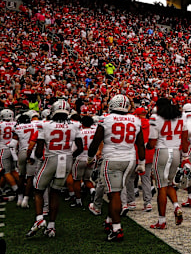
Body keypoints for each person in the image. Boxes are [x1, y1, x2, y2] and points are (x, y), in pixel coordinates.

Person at [88, 94, 145, 241]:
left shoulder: (106, 119)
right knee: (117, 193)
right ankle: (109, 220)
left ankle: (116, 229)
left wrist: (90, 157)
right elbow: (140, 144)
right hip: (130, 160)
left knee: (114, 194)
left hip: (112, 158)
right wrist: (141, 163)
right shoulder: (135, 120)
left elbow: (96, 141)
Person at [26, 99, 83, 238]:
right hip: (67, 159)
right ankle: (51, 226)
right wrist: (70, 156)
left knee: (38, 190)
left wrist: (40, 158)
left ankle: (39, 219)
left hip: (51, 159)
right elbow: (80, 148)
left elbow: (39, 151)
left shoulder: (44, 125)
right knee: (55, 192)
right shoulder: (75, 125)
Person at [147, 97, 188, 229]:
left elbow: (152, 142)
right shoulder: (181, 116)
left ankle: (162, 220)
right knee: (169, 183)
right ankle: (176, 206)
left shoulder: (155, 118)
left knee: (161, 187)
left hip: (162, 152)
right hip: (176, 152)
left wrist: (146, 146)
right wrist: (185, 156)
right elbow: (185, 137)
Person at [69, 115, 97, 209]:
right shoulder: (95, 132)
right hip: (91, 159)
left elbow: (74, 148)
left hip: (80, 158)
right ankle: (92, 189)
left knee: (76, 180)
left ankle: (78, 201)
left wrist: (72, 156)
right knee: (87, 179)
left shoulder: (79, 132)